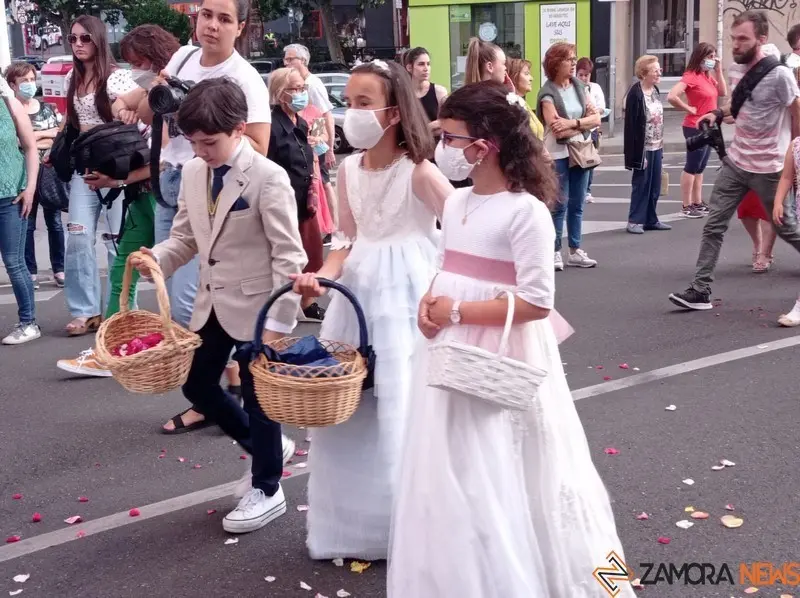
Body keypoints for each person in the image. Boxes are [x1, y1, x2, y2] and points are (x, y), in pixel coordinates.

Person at [387, 81, 634, 598]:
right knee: (454, 460)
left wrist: (455, 309)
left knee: (508, 458)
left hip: (501, 347)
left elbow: (538, 302)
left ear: (487, 143)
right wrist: (428, 306)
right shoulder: (454, 204)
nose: (444, 150)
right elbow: (445, 264)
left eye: (452, 139)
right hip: (449, 347)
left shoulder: (527, 212)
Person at [291, 59, 453, 560]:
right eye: (349, 103)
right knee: (355, 407)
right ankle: (362, 527)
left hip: (410, 291)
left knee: (405, 404)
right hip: (359, 294)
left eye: (363, 104)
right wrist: (323, 276)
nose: (351, 113)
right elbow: (345, 239)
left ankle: (418, 526)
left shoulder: (420, 171)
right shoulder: (346, 169)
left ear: (392, 113)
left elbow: (463, 226)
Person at [130, 78, 307, 534]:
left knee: (259, 396)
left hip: (259, 307)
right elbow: (187, 237)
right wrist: (157, 258)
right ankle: (263, 445)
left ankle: (268, 487)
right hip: (212, 303)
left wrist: (277, 325)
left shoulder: (269, 177)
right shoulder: (192, 172)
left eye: (209, 142)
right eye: (193, 142)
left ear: (240, 129)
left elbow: (290, 256)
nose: (201, 151)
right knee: (196, 384)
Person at [137, 0, 272, 433]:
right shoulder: (183, 57)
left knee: (194, 302)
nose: (211, 26)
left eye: (224, 18)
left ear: (241, 27)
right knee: (177, 294)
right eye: (205, 15)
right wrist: (158, 91)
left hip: (219, 192)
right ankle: (219, 388)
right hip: (176, 179)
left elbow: (260, 148)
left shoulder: (244, 79)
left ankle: (214, 397)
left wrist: (209, 128)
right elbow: (148, 113)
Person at [56, 25, 182, 378]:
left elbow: (164, 159)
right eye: (73, 38)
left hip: (165, 194)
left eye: (137, 62)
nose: (132, 70)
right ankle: (111, 349)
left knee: (178, 279)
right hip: (143, 192)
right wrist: (126, 105)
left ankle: (201, 356)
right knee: (122, 267)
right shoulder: (151, 87)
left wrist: (119, 178)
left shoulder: (168, 91)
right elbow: (136, 111)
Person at [669, 10, 800, 311]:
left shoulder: (779, 75)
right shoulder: (734, 71)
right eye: (733, 39)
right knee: (714, 224)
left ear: (761, 40)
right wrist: (716, 114)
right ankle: (701, 290)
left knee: (786, 228)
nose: (736, 45)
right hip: (736, 163)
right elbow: (737, 106)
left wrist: (794, 153)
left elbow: (796, 111)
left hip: (769, 168)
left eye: (743, 39)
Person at [59, 15, 139, 337]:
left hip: (116, 169)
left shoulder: (117, 79)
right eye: (73, 39)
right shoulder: (70, 79)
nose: (78, 44)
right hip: (83, 169)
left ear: (98, 40)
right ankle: (86, 310)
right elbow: (71, 123)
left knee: (118, 242)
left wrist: (128, 114)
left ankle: (121, 310)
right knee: (78, 238)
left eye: (85, 39)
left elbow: (137, 110)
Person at [267, 67, 326, 321]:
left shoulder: (301, 121)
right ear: (281, 93)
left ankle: (306, 302)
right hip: (283, 200)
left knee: (312, 252)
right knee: (288, 256)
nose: (301, 93)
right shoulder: (272, 125)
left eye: (303, 88)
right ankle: (288, 307)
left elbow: (311, 151)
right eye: (295, 89)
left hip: (305, 197)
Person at [537, 42, 601, 270]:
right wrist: (584, 124)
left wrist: (574, 124)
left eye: (574, 59)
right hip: (558, 153)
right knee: (559, 203)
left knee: (578, 203)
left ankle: (575, 250)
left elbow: (597, 120)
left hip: (581, 150)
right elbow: (556, 128)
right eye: (569, 59)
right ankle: (555, 251)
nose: (574, 63)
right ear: (555, 63)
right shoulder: (547, 93)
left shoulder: (579, 87)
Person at [5, 62, 65, 290]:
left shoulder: (47, 108)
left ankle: (59, 269)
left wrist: (34, 135)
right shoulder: (10, 112)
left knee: (55, 223)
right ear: (13, 85)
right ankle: (30, 272)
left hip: (50, 174)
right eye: (24, 81)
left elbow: (58, 136)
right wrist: (40, 137)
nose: (30, 85)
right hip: (24, 175)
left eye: (32, 79)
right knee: (27, 224)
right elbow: (17, 142)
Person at [0, 77, 41, 345]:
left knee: (14, 262)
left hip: (10, 197)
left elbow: (30, 147)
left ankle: (28, 322)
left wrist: (30, 188)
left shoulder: (8, 103)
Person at [667, 43, 727, 219]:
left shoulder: (707, 76)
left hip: (709, 126)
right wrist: (688, 108)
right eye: (709, 57)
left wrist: (719, 70)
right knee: (692, 166)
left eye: (714, 56)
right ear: (700, 58)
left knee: (700, 167)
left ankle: (697, 202)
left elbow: (722, 92)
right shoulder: (691, 76)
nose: (712, 60)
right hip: (694, 125)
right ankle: (686, 205)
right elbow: (672, 95)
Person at [283, 44, 338, 234]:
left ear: (303, 61)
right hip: (305, 143)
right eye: (286, 59)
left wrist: (328, 148)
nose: (287, 63)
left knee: (323, 184)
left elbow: (325, 117)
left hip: (313, 146)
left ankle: (331, 227)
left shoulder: (312, 85)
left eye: (291, 59)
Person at [623, 55, 671, 235]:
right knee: (641, 184)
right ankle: (634, 220)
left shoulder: (656, 90)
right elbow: (631, 127)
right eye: (655, 70)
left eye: (659, 69)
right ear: (644, 73)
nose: (659, 72)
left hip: (657, 144)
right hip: (643, 147)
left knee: (655, 185)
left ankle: (651, 219)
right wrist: (635, 155)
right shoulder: (635, 94)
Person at [576, 57, 607, 202]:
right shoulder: (572, 88)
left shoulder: (595, 88)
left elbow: (601, 107)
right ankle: (578, 190)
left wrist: (593, 113)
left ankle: (587, 191)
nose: (583, 78)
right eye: (580, 75)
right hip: (577, 129)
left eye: (586, 75)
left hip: (592, 129)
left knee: (590, 161)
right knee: (576, 161)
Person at [404, 47, 448, 135]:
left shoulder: (439, 92)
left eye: (428, 64)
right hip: (410, 146)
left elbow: (446, 122)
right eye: (421, 64)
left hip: (435, 146)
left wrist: (422, 130)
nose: (426, 68)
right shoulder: (403, 94)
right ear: (409, 67)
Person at [507, 57, 544, 140]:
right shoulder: (512, 106)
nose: (531, 78)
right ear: (514, 77)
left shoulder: (523, 103)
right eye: (526, 74)